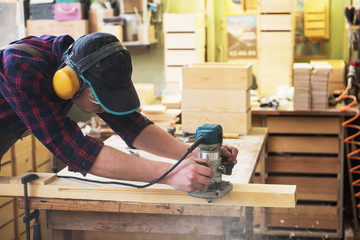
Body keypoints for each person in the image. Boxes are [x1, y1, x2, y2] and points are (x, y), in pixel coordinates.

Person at [0, 32, 238, 192]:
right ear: (69, 83)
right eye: (99, 100)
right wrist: (169, 175)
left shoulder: (83, 60)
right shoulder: (21, 69)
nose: (105, 109)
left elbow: (131, 124)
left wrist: (190, 155)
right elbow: (75, 150)